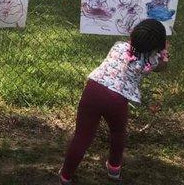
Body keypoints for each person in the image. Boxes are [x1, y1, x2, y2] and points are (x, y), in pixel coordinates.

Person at [59, 18, 169, 184]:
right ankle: (114, 170)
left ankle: (65, 176)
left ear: (132, 35)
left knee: (82, 136)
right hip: (116, 101)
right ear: (158, 46)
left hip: (93, 90)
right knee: (118, 134)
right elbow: (162, 66)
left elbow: (129, 53)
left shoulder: (119, 46)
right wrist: (162, 55)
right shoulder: (151, 62)